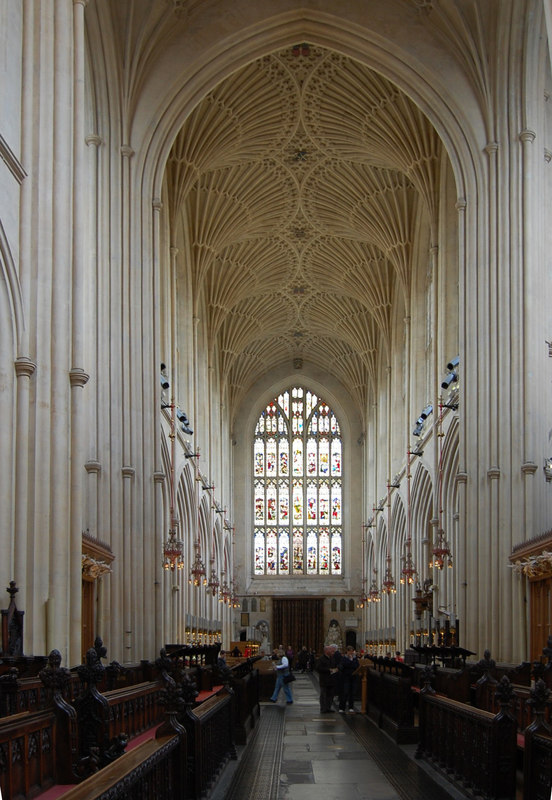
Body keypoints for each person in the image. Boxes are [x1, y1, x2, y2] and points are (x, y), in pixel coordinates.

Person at [315, 644, 341, 712]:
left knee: (331, 695)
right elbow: (318, 668)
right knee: (323, 695)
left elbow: (335, 665)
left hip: (331, 680)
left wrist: (336, 668)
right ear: (326, 651)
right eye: (330, 650)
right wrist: (328, 670)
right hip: (324, 680)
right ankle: (323, 708)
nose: (332, 651)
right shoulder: (321, 659)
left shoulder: (332, 658)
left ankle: (328, 707)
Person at [338, 645, 359, 713]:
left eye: (352, 651)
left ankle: (351, 707)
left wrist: (351, 662)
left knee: (352, 693)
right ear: (347, 651)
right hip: (346, 677)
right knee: (345, 692)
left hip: (353, 677)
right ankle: (342, 707)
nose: (351, 653)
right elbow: (345, 665)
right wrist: (351, 662)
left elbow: (356, 665)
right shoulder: (344, 658)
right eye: (350, 651)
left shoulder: (355, 658)